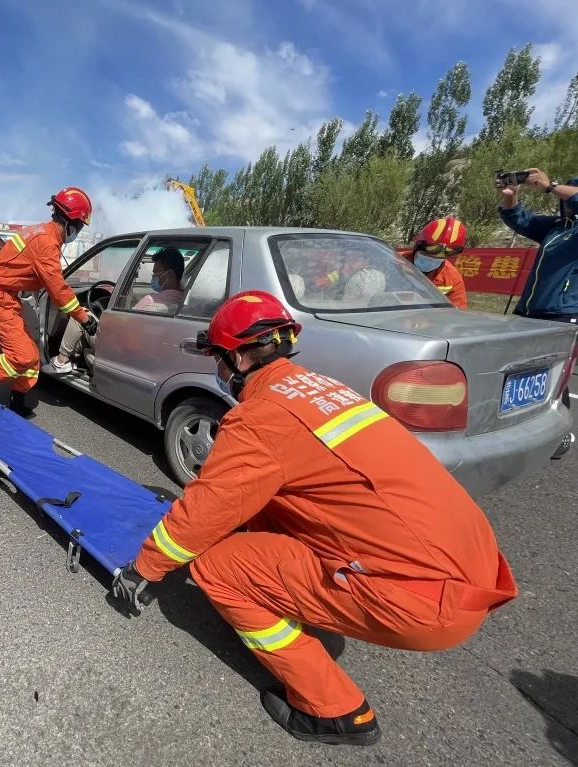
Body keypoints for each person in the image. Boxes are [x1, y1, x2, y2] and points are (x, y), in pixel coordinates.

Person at [111, 291, 516, 746]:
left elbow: (204, 513)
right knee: (261, 514)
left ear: (241, 357)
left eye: (219, 360)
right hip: (471, 564)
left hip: (422, 598)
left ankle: (336, 712)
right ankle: (301, 599)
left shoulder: (261, 418)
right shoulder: (323, 389)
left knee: (215, 568)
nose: (218, 371)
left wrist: (143, 567)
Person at [0, 187, 97, 416]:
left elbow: (37, 275)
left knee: (30, 358)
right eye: (80, 226)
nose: (78, 232)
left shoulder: (41, 232)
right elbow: (57, 288)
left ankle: (16, 401)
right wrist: (83, 317)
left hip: (7, 298)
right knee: (25, 356)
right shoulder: (46, 242)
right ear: (70, 221)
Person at [44, 247, 185, 375]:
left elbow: (124, 323)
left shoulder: (151, 300)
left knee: (81, 315)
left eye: (156, 274)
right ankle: (77, 358)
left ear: (170, 274)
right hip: (147, 355)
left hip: (122, 348)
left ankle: (61, 362)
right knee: (87, 334)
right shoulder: (184, 302)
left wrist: (104, 320)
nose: (153, 278)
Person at [498, 170, 578, 324]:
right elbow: (520, 220)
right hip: (530, 310)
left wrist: (550, 186)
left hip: (564, 314)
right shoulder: (558, 227)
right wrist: (511, 195)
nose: (567, 199)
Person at [403, 216, 468, 309]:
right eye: (428, 255)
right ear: (417, 247)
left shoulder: (452, 278)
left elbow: (458, 313)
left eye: (439, 258)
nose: (432, 260)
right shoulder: (394, 261)